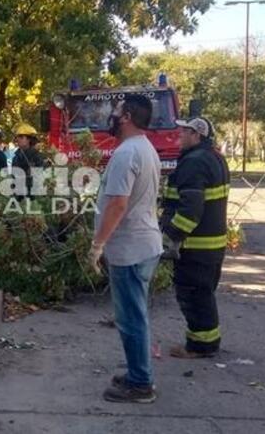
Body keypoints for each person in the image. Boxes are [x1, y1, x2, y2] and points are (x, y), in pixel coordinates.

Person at [89, 95, 162, 403]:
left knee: (131, 319)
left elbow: (117, 204)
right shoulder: (145, 148)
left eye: (116, 111)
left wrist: (97, 244)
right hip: (144, 244)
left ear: (127, 116)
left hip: (130, 248)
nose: (112, 116)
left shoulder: (126, 152)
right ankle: (137, 373)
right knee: (136, 315)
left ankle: (140, 384)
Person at [161, 116, 230, 359]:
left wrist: (172, 236)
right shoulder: (215, 159)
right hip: (213, 244)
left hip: (195, 245)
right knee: (203, 294)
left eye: (184, 132)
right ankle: (205, 341)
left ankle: (200, 347)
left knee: (192, 294)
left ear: (197, 136)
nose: (179, 135)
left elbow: (190, 208)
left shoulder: (194, 163)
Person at [11, 123, 44, 198]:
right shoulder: (16, 157)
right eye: (17, 137)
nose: (17, 139)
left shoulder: (36, 156)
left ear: (29, 139)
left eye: (21, 137)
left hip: (33, 198)